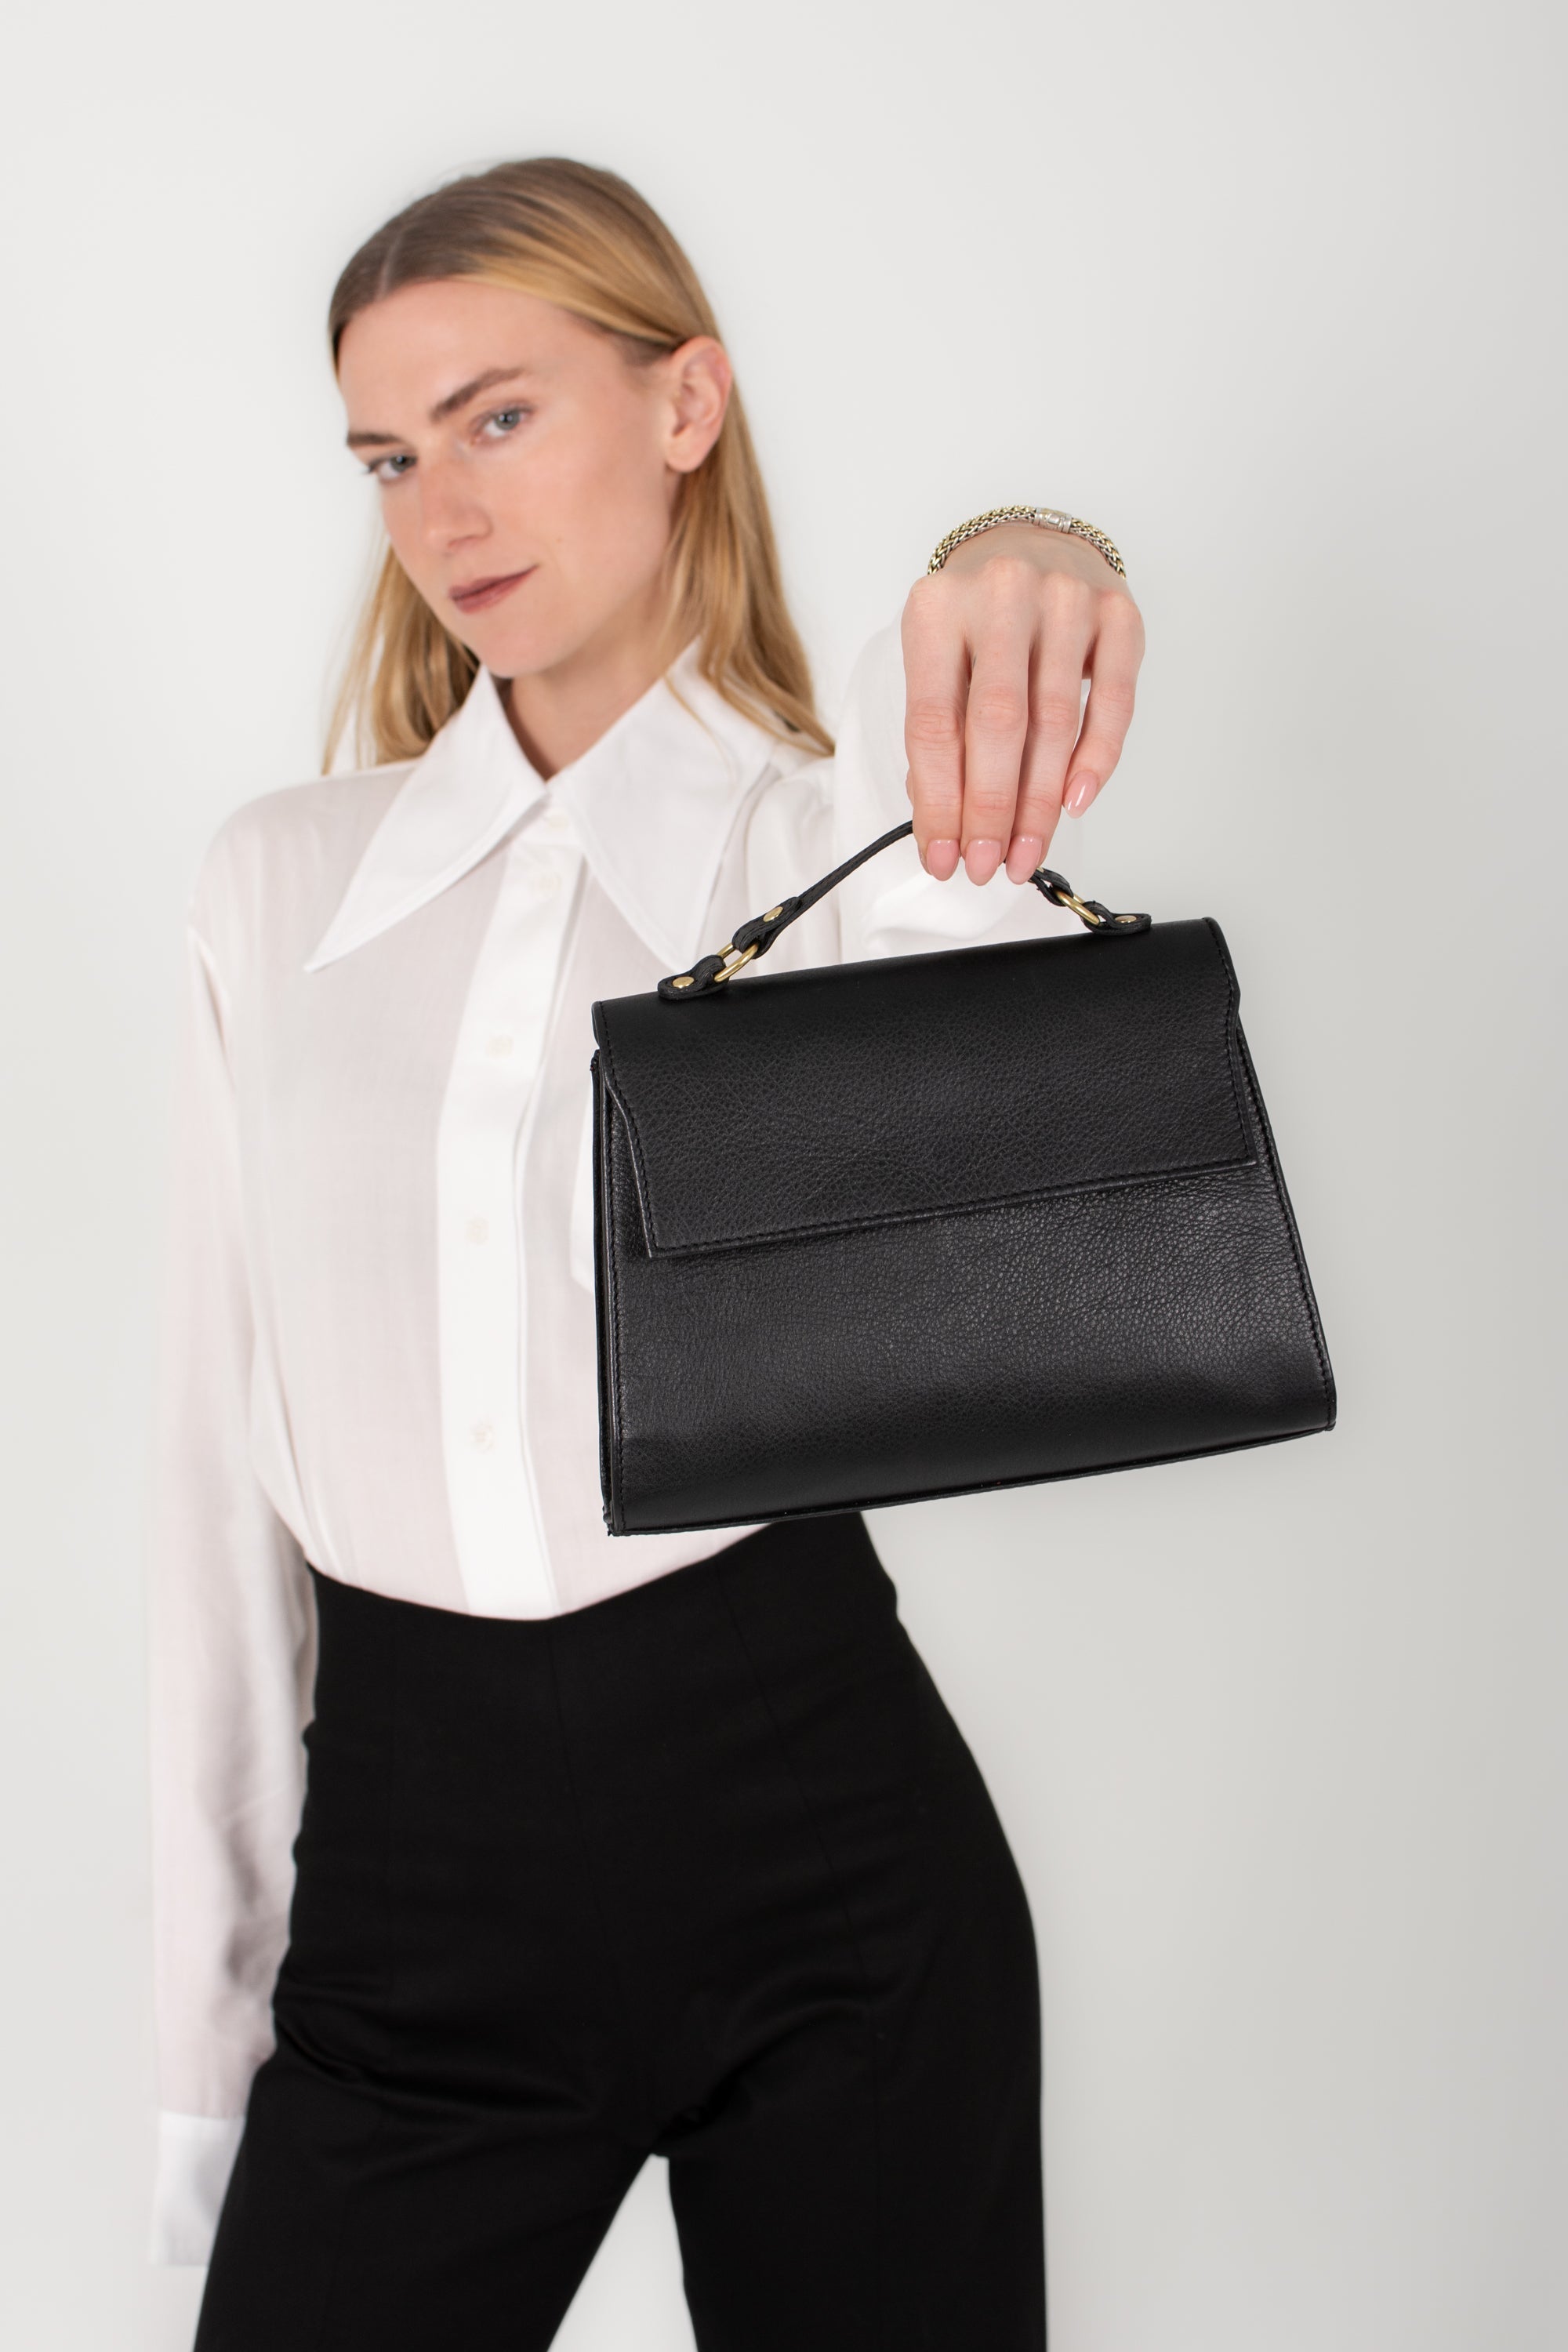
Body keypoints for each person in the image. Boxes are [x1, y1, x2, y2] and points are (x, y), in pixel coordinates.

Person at [147, 156, 1145, 2350]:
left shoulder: (840, 844)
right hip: (406, 1880)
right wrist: (207, 2070)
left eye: (499, 418)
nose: (441, 512)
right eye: (389, 458)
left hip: (823, 1844)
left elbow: (970, 947)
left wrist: (1028, 554)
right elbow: (220, 1501)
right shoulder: (279, 889)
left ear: (687, 403)